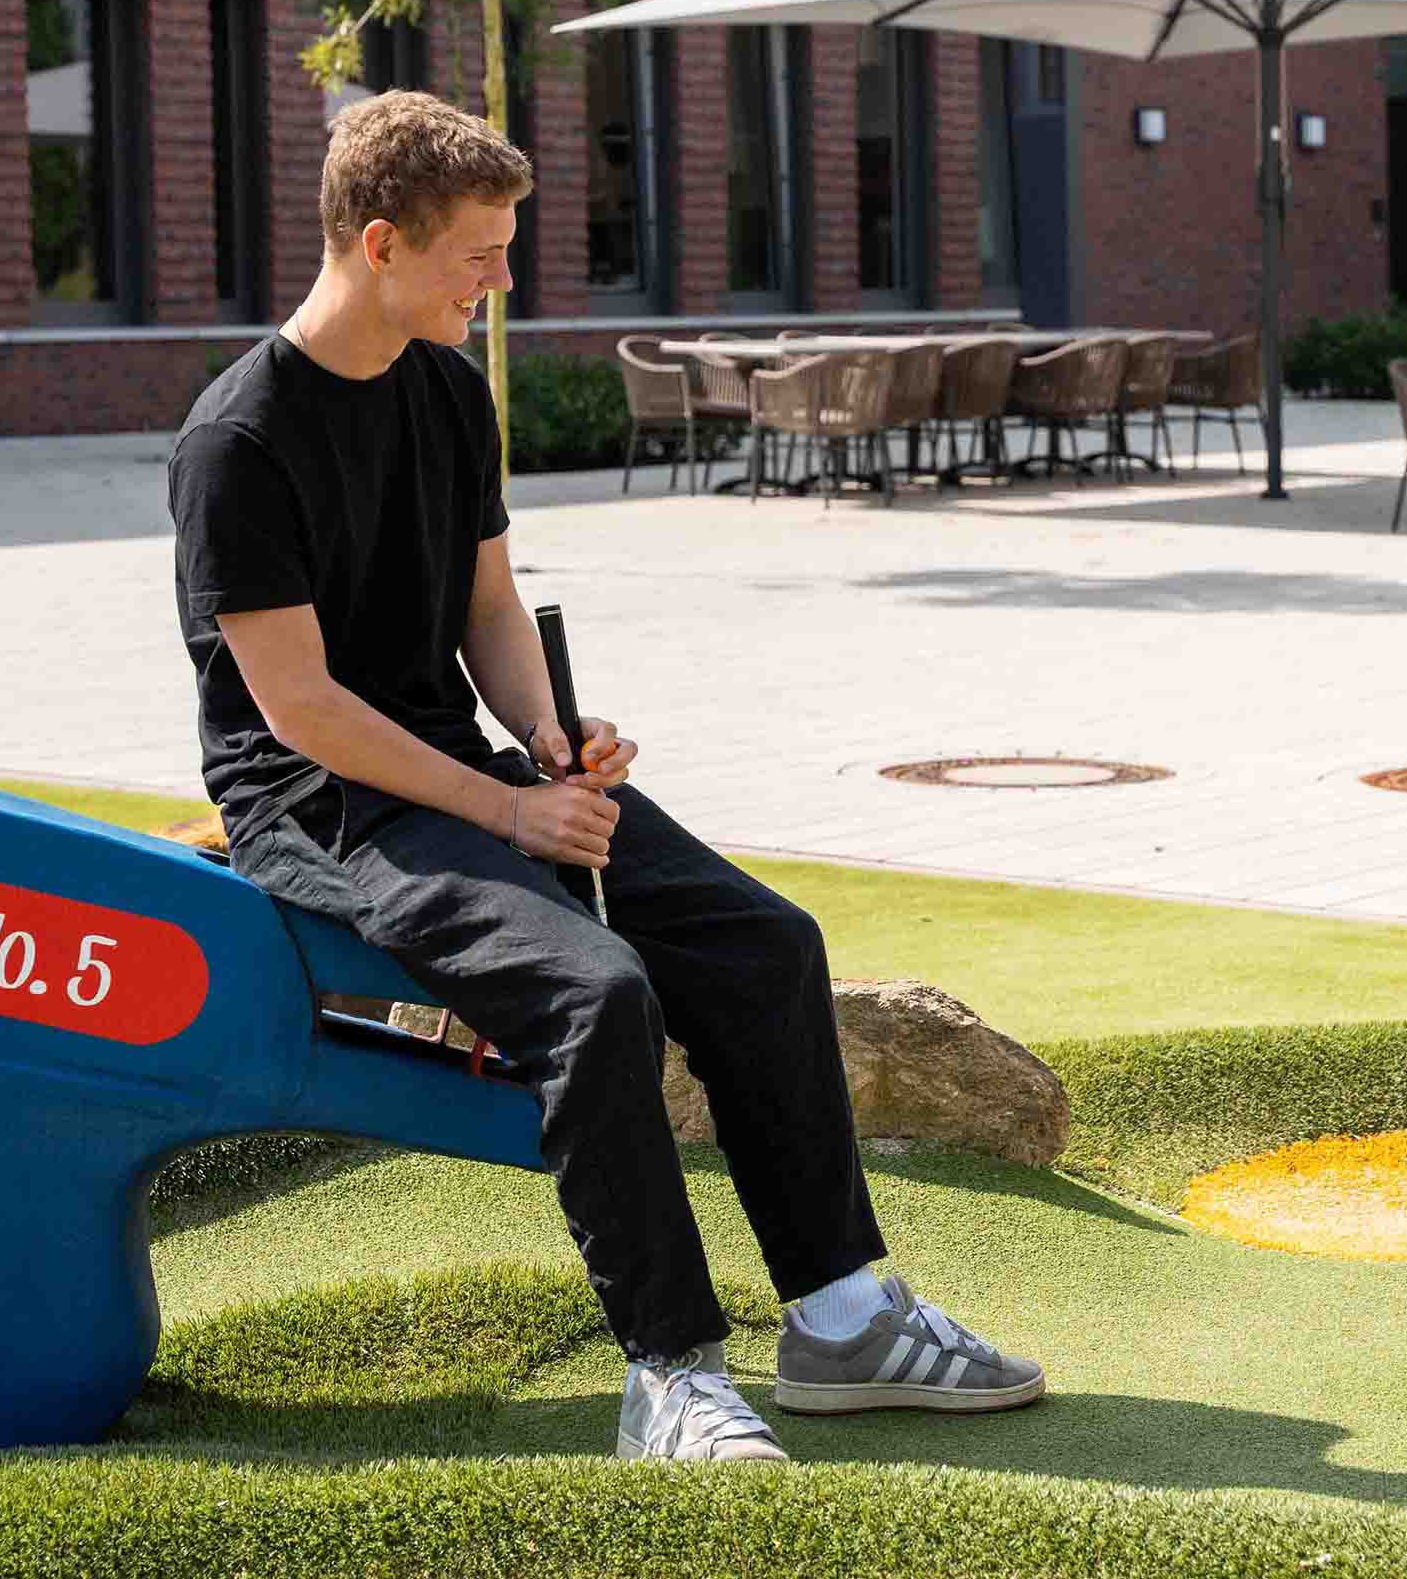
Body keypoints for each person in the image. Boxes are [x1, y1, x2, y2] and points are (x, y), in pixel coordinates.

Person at [167, 91, 1042, 1462]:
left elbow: (488, 605)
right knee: (599, 989)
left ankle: (842, 1319)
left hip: (464, 767)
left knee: (763, 944)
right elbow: (302, 708)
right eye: (481, 253)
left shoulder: (450, 390)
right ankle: (669, 1376)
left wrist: (547, 733)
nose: (502, 281)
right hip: (320, 803)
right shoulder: (238, 440)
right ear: (382, 242)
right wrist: (510, 809)